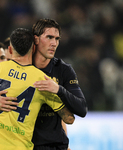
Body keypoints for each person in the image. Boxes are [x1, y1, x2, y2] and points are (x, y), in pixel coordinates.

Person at [0, 28, 75, 150]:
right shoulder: (43, 80)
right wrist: (58, 90)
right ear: (33, 50)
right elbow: (69, 118)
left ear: (9, 50)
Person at [31, 19, 87, 150]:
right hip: (27, 145)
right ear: (36, 39)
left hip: (55, 145)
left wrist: (58, 89)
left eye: (57, 39)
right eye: (49, 37)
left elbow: (82, 109)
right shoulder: (23, 67)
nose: (54, 43)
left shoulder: (63, 70)